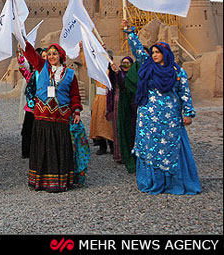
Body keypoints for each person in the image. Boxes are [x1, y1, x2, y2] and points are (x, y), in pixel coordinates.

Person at [122, 19, 200, 195]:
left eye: (158, 52)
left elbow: (184, 92)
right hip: (149, 116)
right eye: (153, 52)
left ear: (165, 53)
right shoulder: (149, 67)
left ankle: (174, 182)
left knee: (171, 147)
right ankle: (152, 182)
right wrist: (129, 32)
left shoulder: (176, 72)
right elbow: (138, 51)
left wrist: (188, 112)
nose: (155, 54)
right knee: (150, 147)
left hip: (170, 116)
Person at [22, 41, 87, 192]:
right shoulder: (42, 66)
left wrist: (76, 111)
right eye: (49, 54)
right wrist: (23, 40)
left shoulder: (70, 74)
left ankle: (60, 182)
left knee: (60, 148)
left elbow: (75, 95)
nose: (51, 56)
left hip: (61, 117)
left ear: (61, 56)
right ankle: (42, 182)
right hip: (43, 117)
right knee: (44, 148)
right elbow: (31, 54)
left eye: (54, 54)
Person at [80, 43, 114, 155]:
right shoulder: (99, 73)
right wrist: (83, 51)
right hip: (99, 99)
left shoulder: (112, 72)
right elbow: (88, 65)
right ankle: (102, 145)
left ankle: (113, 146)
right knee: (99, 122)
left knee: (110, 123)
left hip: (110, 99)